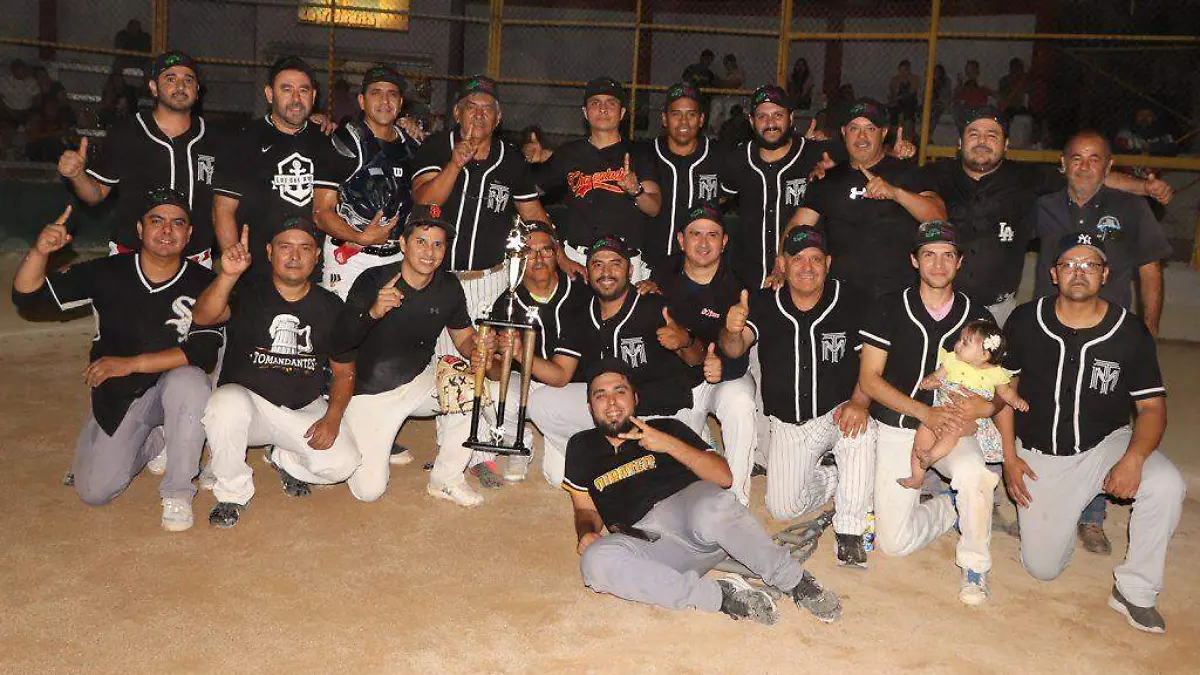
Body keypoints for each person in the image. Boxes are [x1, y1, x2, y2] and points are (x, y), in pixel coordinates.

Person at [1002, 232, 1184, 634]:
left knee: (1166, 483)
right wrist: (1009, 458)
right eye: (1069, 264)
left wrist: (1133, 459)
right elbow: (1004, 391)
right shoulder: (1025, 320)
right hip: (1041, 454)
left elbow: (1152, 408)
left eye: (1090, 264)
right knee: (1042, 568)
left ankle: (1135, 590)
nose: (1079, 272)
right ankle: (1062, 516)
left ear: (1105, 274)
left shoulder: (1129, 331)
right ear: (1054, 273)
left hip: (1106, 446)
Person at [566, 361, 843, 625]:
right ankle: (721, 597)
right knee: (595, 563)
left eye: (619, 391)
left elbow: (723, 477)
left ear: (635, 398)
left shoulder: (666, 428)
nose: (611, 402)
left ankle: (794, 580)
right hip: (648, 544)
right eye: (600, 395)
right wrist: (586, 532)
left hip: (695, 520)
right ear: (590, 407)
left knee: (713, 506)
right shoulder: (581, 447)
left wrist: (668, 445)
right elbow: (585, 509)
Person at [11, 190, 221, 531]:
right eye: (157, 220)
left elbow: (202, 352)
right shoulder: (108, 271)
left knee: (190, 380)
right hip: (121, 395)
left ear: (189, 234)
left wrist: (131, 363)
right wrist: (39, 252)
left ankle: (178, 493)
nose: (167, 230)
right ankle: (156, 441)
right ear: (139, 229)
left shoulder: (205, 283)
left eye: (177, 223)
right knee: (95, 490)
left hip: (177, 389)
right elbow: (28, 298)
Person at [857, 221, 1001, 606]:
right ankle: (949, 508)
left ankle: (975, 565)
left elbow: (1003, 385)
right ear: (914, 260)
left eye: (947, 255)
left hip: (955, 427)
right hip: (899, 423)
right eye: (929, 254)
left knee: (975, 476)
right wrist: (924, 412)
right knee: (893, 543)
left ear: (960, 261)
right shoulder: (888, 306)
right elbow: (869, 380)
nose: (938, 264)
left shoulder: (978, 314)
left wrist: (987, 407)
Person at [719, 226, 876, 568]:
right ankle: (836, 476)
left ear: (828, 263)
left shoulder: (852, 300)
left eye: (816, 259)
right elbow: (734, 349)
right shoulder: (763, 302)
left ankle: (850, 530)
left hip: (839, 410)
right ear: (782, 264)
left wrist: (860, 402)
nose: (807, 267)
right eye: (798, 259)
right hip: (791, 423)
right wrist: (731, 330)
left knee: (860, 431)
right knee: (783, 507)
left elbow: (872, 362)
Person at [194, 216, 359, 529]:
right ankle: (232, 493)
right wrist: (227, 276)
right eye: (285, 247)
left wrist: (333, 417)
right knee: (224, 403)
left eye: (305, 248)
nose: (294, 256)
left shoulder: (331, 306)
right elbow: (203, 317)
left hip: (301, 409)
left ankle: (284, 458)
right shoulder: (246, 292)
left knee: (343, 464)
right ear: (269, 252)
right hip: (249, 410)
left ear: (317, 256)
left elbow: (344, 372)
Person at [336, 205, 489, 506]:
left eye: (438, 244)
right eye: (421, 241)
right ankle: (348, 436)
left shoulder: (448, 286)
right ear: (404, 244)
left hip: (417, 382)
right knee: (369, 492)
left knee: (470, 387)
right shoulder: (374, 280)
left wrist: (478, 350)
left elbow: (464, 338)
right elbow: (340, 342)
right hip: (369, 394)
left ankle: (446, 480)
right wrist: (373, 312)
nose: (429, 252)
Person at [527, 235, 702, 486]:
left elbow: (696, 360)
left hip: (658, 415)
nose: (606, 272)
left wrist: (685, 340)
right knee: (542, 404)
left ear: (630, 270)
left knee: (658, 484)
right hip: (609, 410)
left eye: (615, 263)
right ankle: (603, 458)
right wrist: (521, 353)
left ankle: (622, 464)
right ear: (588, 272)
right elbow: (560, 374)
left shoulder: (655, 305)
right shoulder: (580, 314)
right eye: (598, 264)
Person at [58, 51, 219, 267]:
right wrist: (77, 175)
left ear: (197, 89)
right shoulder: (127, 132)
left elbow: (223, 206)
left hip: (194, 260)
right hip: (131, 257)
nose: (181, 85)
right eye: (170, 78)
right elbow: (95, 194)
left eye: (188, 79)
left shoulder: (215, 138)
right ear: (154, 87)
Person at [411, 76, 550, 325]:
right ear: (457, 113)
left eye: (487, 109)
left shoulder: (511, 159)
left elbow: (534, 215)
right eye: (471, 107)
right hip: (434, 275)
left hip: (488, 282)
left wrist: (562, 257)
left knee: (484, 349)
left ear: (498, 117)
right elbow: (425, 201)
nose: (479, 115)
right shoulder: (437, 146)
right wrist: (454, 165)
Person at [645, 204, 757, 505]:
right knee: (675, 474)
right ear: (681, 240)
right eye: (695, 234)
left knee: (741, 402)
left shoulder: (739, 286)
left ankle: (737, 499)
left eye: (713, 235)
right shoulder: (661, 275)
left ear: (724, 241)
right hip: (679, 380)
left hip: (724, 375)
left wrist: (725, 367)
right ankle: (704, 440)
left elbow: (739, 350)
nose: (704, 243)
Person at [785, 97, 943, 299]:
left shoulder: (907, 173)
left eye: (870, 128)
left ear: (883, 133)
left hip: (897, 299)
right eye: (854, 128)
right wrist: (781, 267)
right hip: (841, 300)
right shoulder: (827, 179)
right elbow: (796, 227)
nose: (862, 136)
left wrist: (895, 193)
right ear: (844, 132)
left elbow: (938, 217)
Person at [482, 221, 592, 483]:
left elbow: (561, 377)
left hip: (573, 388)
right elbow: (497, 373)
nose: (539, 259)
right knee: (489, 390)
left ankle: (574, 435)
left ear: (557, 253)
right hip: (528, 384)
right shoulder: (506, 303)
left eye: (546, 250)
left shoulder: (580, 294)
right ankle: (518, 442)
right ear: (517, 258)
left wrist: (521, 354)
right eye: (529, 252)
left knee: (558, 477)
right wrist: (487, 360)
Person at [212, 56, 340, 278]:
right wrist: (234, 264)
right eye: (286, 89)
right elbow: (222, 210)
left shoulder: (328, 140)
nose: (296, 99)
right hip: (256, 269)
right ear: (270, 94)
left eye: (303, 90)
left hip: (315, 271)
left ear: (314, 96)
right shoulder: (243, 140)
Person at [538, 77, 661, 282]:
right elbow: (529, 195)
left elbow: (654, 207)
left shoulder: (639, 153)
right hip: (577, 259)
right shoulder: (568, 153)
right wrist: (559, 253)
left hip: (625, 261)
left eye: (611, 103)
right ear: (585, 112)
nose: (603, 109)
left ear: (622, 112)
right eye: (595, 103)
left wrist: (636, 191)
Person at [312, 65, 419, 300]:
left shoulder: (412, 147)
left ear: (401, 103)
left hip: (397, 257)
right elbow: (321, 212)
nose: (385, 101)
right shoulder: (343, 143)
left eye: (392, 94)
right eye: (376, 93)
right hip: (350, 257)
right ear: (361, 100)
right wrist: (359, 237)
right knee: (345, 322)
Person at [718, 84, 840, 290]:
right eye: (762, 116)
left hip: (804, 279)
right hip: (749, 277)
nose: (770, 123)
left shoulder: (817, 155)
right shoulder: (738, 159)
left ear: (791, 118)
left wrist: (893, 154)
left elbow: (864, 155)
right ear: (751, 121)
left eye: (778, 115)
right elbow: (714, 200)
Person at [897, 318, 1027, 489]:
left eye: (965, 343)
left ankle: (931, 456)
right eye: (959, 339)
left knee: (954, 429)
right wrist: (930, 381)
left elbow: (1006, 392)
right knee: (924, 430)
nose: (957, 345)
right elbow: (937, 376)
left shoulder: (995, 373)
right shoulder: (952, 360)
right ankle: (917, 476)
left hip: (969, 418)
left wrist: (1017, 401)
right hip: (943, 408)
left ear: (984, 354)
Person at [643, 83, 728, 272]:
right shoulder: (646, 154)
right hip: (651, 264)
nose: (684, 122)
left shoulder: (720, 156)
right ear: (664, 118)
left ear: (701, 119)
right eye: (676, 114)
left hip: (703, 268)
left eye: (691, 114)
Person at [887, 60, 920, 133]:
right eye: (901, 70)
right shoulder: (895, 80)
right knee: (893, 111)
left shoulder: (914, 78)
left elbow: (912, 92)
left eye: (905, 70)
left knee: (908, 106)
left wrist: (899, 97)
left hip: (910, 103)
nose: (903, 73)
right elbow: (892, 94)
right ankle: (893, 131)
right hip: (897, 103)